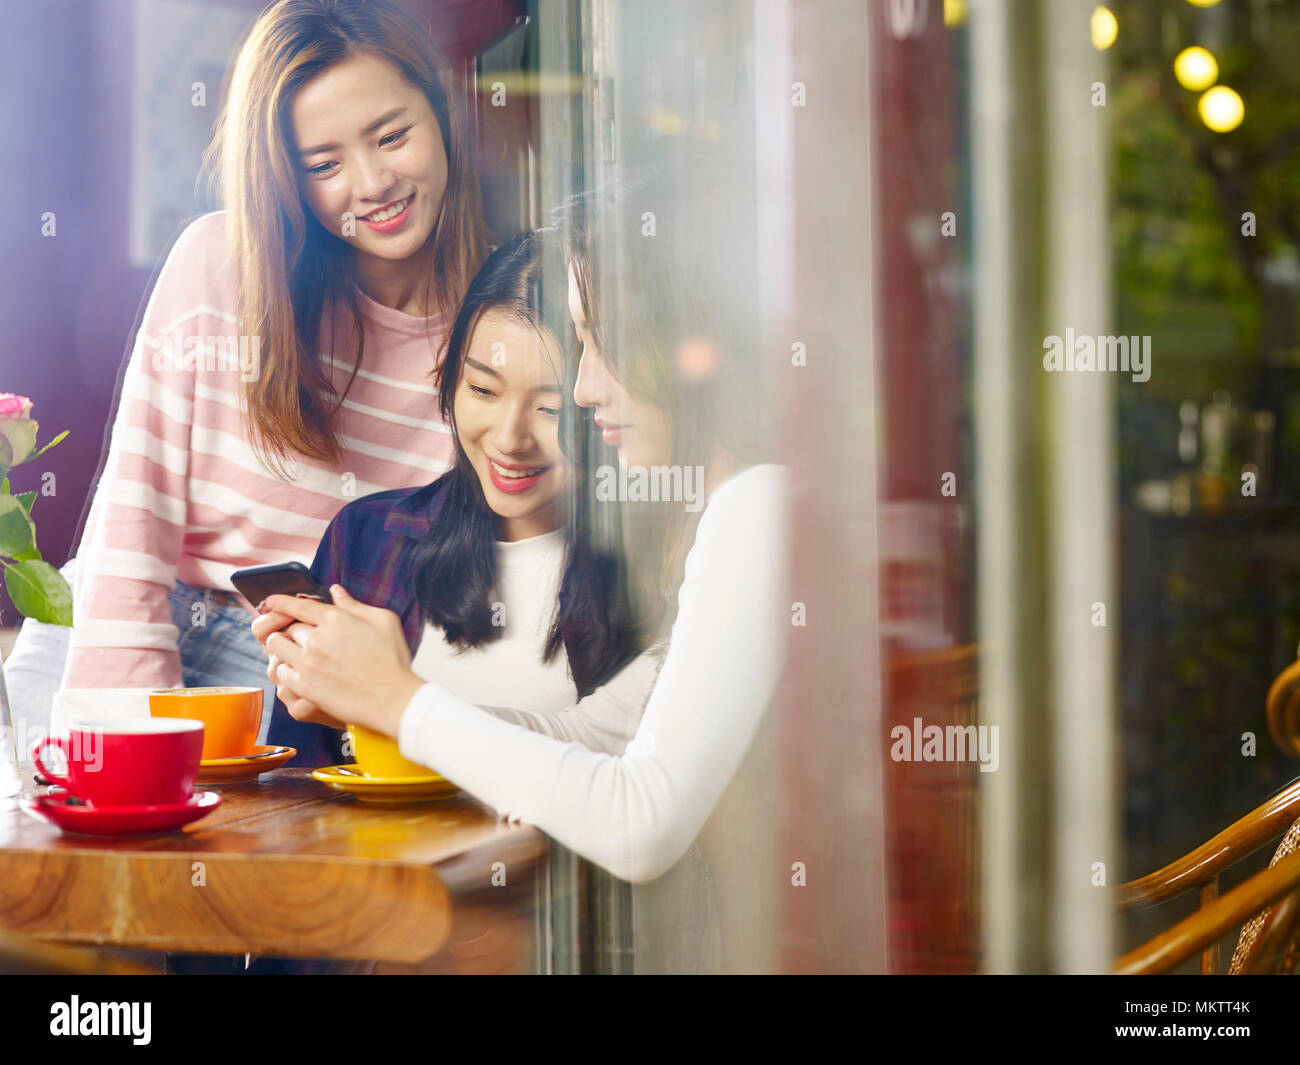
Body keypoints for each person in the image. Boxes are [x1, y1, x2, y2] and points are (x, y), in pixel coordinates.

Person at [257, 203, 789, 897]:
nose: (585, 388)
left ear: (690, 345)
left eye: (603, 344)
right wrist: (369, 702)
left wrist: (399, 701)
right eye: (481, 387)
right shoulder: (715, 518)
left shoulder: (757, 505)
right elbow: (581, 734)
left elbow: (640, 820)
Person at [7, 0, 490, 752]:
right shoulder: (217, 263)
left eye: (391, 136)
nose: (371, 184)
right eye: (322, 165)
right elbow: (134, 520)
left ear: (442, 113)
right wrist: (129, 736)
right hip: (111, 634)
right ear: (285, 179)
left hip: (303, 673)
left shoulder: (498, 327)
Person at [261, 230, 658, 767]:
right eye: (484, 391)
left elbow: (614, 780)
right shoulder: (369, 538)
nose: (509, 439)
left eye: (552, 408)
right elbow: (303, 779)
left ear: (600, 406)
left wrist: (381, 703)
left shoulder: (652, 570)